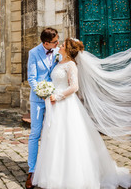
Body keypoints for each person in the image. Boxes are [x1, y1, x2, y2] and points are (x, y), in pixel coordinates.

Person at [32, 38, 131, 189]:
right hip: (55, 105)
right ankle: (55, 173)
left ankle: (73, 175)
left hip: (66, 104)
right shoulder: (59, 61)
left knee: (69, 138)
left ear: (68, 49)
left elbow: (74, 87)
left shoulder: (71, 65)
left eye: (63, 45)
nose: (59, 46)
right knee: (55, 138)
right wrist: (47, 90)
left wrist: (57, 96)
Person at [26, 28, 60, 189]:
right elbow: (31, 78)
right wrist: (41, 92)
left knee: (53, 132)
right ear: (45, 43)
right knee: (35, 133)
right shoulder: (33, 53)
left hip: (55, 99)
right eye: (54, 41)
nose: (57, 43)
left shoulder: (59, 51)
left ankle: (52, 167)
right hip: (38, 99)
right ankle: (32, 171)